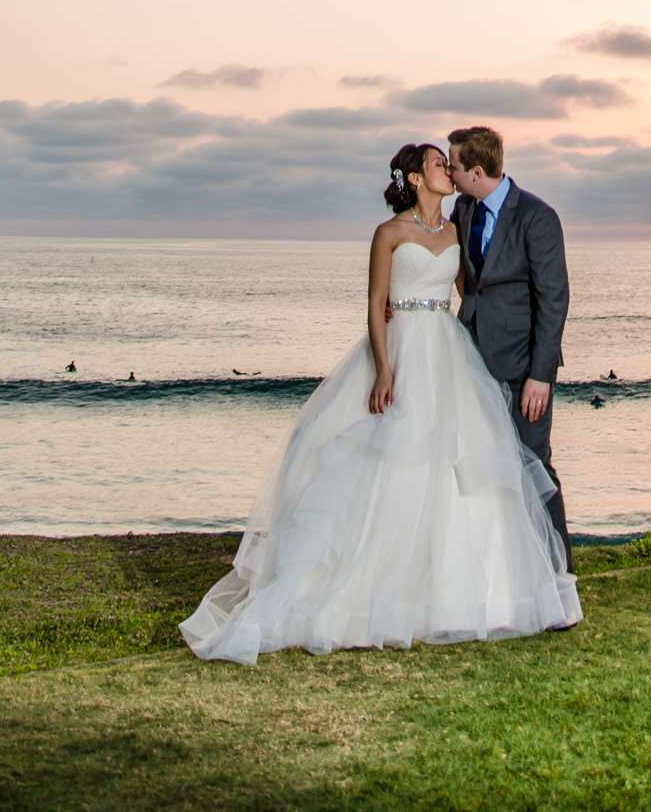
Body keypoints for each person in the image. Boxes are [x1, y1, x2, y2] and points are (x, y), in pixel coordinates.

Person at [180, 142, 579, 660]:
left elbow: (471, 289)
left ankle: (482, 590)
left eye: (449, 163)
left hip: (451, 354)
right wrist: (385, 364)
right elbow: (374, 302)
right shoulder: (389, 233)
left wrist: (524, 350)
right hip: (404, 352)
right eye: (438, 164)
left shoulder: (459, 223)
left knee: (460, 466)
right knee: (394, 460)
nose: (447, 171)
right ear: (415, 178)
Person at [447, 125, 573, 571]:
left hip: (524, 368)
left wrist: (540, 375)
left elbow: (554, 298)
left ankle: (559, 572)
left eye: (454, 165)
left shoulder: (537, 217)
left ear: (476, 170)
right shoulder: (463, 208)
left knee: (533, 465)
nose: (449, 171)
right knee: (482, 464)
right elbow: (464, 278)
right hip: (473, 361)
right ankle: (503, 569)